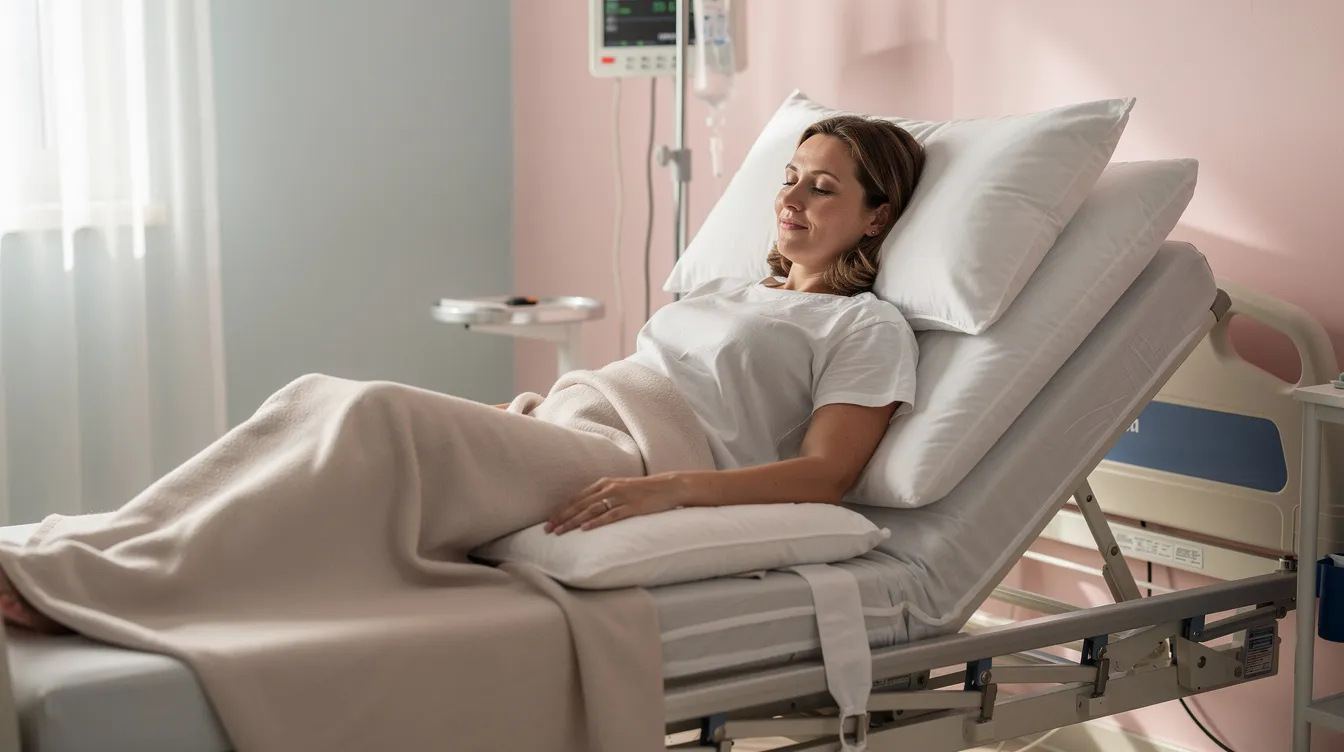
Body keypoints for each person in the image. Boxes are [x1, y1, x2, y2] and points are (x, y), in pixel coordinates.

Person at [0, 114, 925, 633]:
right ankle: (100, 547)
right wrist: (519, 419)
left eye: (824, 186)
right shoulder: (731, 288)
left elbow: (828, 476)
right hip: (572, 422)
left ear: (877, 217)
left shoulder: (862, 325)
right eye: (793, 176)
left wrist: (672, 493)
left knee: (371, 415)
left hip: (631, 462)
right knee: (314, 403)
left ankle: (107, 587)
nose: (792, 198)